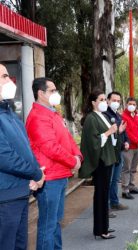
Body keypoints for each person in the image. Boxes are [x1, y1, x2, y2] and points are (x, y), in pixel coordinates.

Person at [25, 77, 83, 250]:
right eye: (52, 91)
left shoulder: (53, 113)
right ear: (41, 93)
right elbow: (50, 147)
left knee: (55, 222)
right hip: (49, 177)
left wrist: (78, 156)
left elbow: (67, 139)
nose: (56, 94)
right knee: (47, 226)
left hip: (60, 174)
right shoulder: (37, 117)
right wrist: (72, 160)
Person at [0, 63, 45, 250]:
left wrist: (37, 175)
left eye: (8, 76)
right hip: (5, 198)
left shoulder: (9, 113)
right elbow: (5, 157)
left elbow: (26, 148)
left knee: (20, 245)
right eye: (3, 77)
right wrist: (35, 173)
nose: (9, 80)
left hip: (19, 192)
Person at [79, 89, 120, 240]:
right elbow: (93, 141)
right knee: (101, 195)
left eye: (104, 99)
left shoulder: (101, 116)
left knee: (104, 194)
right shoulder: (91, 118)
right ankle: (100, 230)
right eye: (101, 99)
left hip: (107, 160)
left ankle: (104, 226)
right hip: (101, 162)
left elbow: (109, 137)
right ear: (93, 103)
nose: (104, 102)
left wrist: (116, 132)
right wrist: (109, 132)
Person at [103, 91, 129, 211]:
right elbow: (112, 131)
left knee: (115, 179)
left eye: (118, 101)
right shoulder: (105, 114)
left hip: (119, 151)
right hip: (110, 152)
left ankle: (114, 202)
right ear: (108, 101)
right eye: (114, 100)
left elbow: (124, 130)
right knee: (108, 180)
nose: (116, 103)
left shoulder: (118, 115)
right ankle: (106, 207)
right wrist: (120, 130)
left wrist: (126, 141)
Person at [121, 97, 138, 199]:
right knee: (126, 169)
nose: (132, 106)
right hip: (129, 147)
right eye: (130, 104)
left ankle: (132, 186)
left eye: (134, 104)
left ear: (136, 106)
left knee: (133, 168)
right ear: (126, 105)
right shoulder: (123, 117)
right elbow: (127, 133)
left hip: (137, 147)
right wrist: (137, 141)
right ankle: (125, 190)